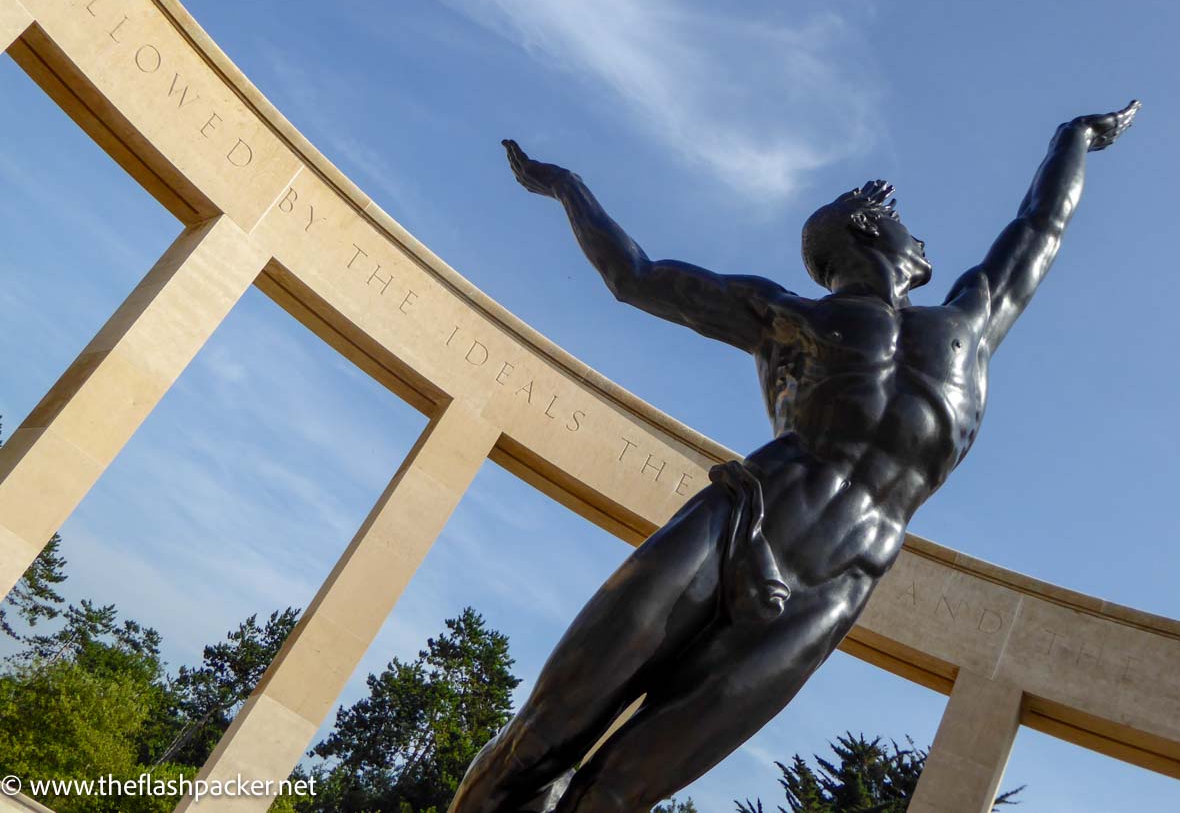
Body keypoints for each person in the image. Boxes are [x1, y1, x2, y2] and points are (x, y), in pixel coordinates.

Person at [448, 101, 1140, 813]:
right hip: (740, 526)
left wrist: (1073, 138)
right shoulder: (786, 317)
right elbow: (635, 275)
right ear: (865, 227)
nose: (919, 228)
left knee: (618, 795)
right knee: (538, 741)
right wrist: (566, 186)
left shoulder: (967, 323)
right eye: (896, 213)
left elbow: (1038, 227)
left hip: (827, 592)